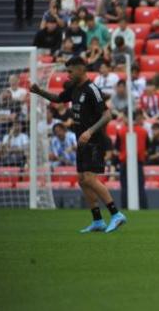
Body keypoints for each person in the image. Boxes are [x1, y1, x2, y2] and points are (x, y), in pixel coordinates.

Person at [30, 56, 126, 232]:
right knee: (82, 180)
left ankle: (116, 214)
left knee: (89, 178)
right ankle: (97, 221)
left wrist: (90, 131)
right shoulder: (75, 88)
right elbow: (58, 99)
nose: (68, 74)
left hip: (94, 140)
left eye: (70, 70)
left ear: (81, 68)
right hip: (81, 139)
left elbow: (107, 115)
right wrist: (39, 91)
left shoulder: (92, 89)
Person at [115, 110, 149, 209]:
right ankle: (143, 208)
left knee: (125, 187)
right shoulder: (143, 131)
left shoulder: (121, 131)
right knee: (140, 187)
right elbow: (147, 146)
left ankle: (125, 208)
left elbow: (117, 147)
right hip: (138, 162)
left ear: (127, 117)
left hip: (124, 162)